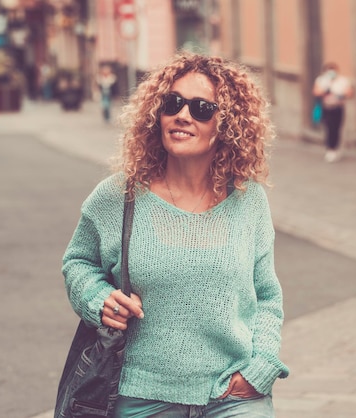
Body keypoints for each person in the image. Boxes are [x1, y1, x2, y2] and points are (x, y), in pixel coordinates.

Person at [62, 52, 289, 417]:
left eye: (201, 108)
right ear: (157, 113)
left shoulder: (249, 201)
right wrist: (97, 298)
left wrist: (260, 367)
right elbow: (79, 262)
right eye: (173, 103)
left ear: (226, 124)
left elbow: (266, 296)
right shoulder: (119, 195)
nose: (183, 115)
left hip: (231, 393)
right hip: (142, 395)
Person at [313, 62, 354, 162]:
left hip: (338, 108)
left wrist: (340, 94)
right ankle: (330, 149)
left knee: (337, 128)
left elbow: (350, 93)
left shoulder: (343, 81)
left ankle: (335, 147)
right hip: (327, 108)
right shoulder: (322, 80)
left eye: (333, 70)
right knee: (329, 128)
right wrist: (326, 90)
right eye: (329, 70)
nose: (332, 72)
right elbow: (316, 92)